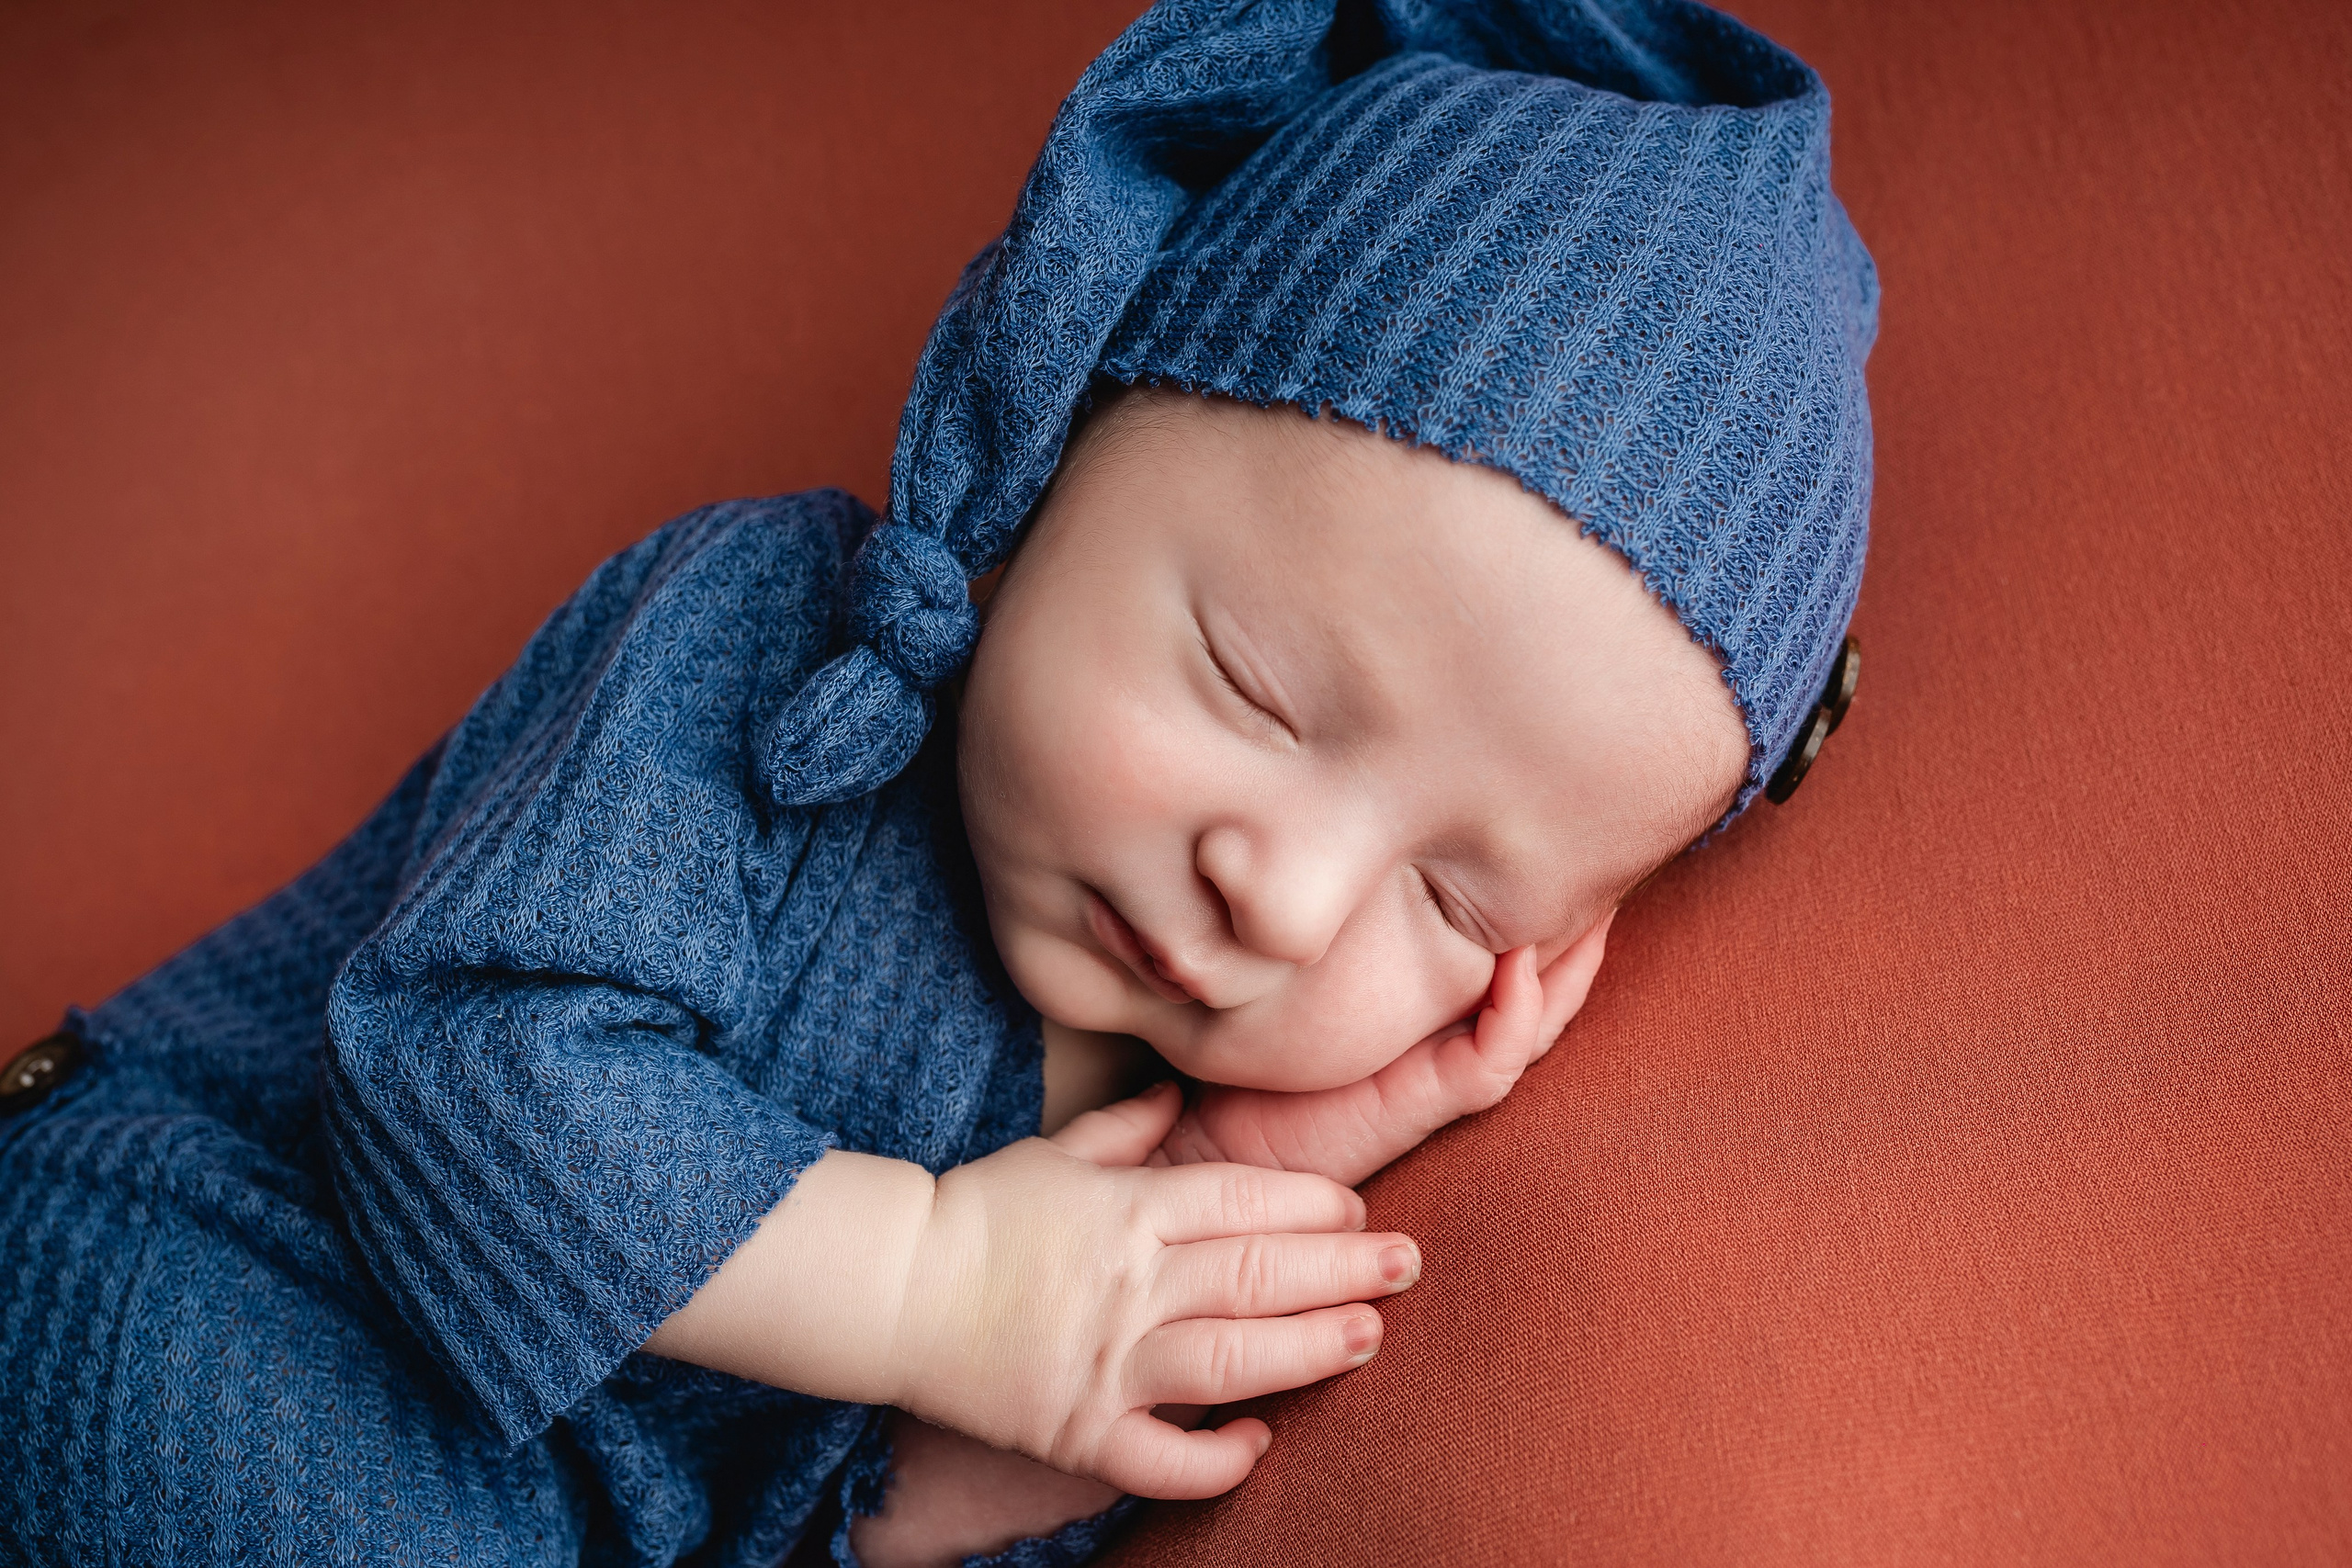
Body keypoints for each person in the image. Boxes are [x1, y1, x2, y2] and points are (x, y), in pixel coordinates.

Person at [0, 2, 1875, 1564]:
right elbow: (458, 1059)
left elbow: (821, 1522)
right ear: (1048, 436)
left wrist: (1169, 1238)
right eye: (1250, 683)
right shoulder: (766, 645)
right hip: (197, 1265)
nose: (1282, 895)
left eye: (1452, 901)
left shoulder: (1137, 1107)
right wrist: (937, 1282)